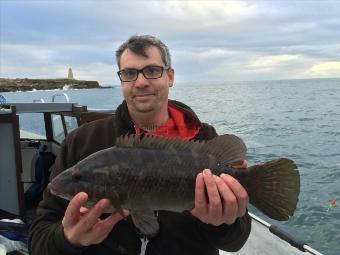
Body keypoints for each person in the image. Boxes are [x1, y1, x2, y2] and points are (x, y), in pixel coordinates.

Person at [28, 35, 251, 255]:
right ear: (121, 80)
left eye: (152, 70)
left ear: (170, 77)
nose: (141, 82)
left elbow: (236, 242)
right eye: (129, 73)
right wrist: (68, 239)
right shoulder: (80, 142)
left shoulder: (205, 138)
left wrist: (222, 222)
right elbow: (39, 239)